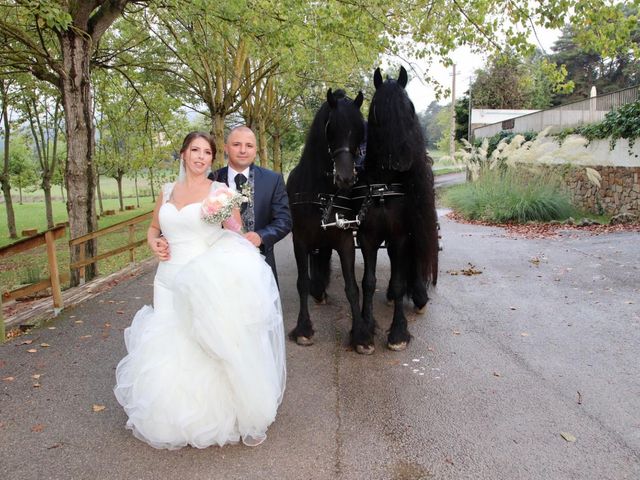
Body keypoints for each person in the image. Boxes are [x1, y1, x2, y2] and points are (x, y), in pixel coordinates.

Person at [114, 132, 286, 449]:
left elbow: (237, 233)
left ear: (212, 158)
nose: (201, 157)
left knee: (204, 342)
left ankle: (212, 415)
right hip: (166, 278)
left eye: (207, 152)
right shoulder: (166, 192)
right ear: (183, 154)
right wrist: (155, 242)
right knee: (169, 341)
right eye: (195, 150)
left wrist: (228, 219)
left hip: (203, 280)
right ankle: (170, 414)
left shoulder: (219, 192)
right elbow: (154, 228)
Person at [209, 125, 291, 283]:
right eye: (236, 144)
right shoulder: (212, 179)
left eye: (249, 145)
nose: (242, 150)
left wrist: (261, 236)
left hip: (261, 265)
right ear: (226, 148)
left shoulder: (273, 180)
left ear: (256, 150)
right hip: (218, 267)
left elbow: (284, 221)